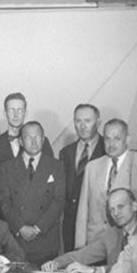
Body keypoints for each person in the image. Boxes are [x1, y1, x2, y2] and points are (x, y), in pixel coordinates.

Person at [0, 121, 66, 266]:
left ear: (43, 139)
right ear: (20, 141)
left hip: (45, 239)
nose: (34, 142)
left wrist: (38, 228)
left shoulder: (56, 166)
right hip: (16, 238)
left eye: (38, 137)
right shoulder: (6, 167)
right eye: (28, 138)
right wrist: (20, 227)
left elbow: (59, 201)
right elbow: (3, 201)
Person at [41, 188, 137, 273]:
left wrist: (94, 270)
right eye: (112, 209)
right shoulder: (111, 234)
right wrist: (56, 263)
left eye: (120, 207)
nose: (116, 213)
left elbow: (132, 269)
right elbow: (82, 255)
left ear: (134, 206)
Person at [75, 118, 137, 246]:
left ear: (127, 139)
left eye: (117, 138)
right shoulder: (92, 167)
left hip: (126, 243)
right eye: (107, 138)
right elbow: (83, 211)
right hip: (94, 243)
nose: (111, 144)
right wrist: (79, 246)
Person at [60, 103, 105, 252]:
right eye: (78, 121)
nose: (82, 126)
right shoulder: (66, 152)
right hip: (71, 226)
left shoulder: (108, 149)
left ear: (98, 122)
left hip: (99, 224)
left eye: (87, 121)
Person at [0, 92, 53, 163]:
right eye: (11, 110)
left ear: (25, 113)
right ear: (5, 113)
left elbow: (50, 169)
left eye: (20, 110)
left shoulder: (43, 143)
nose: (16, 115)